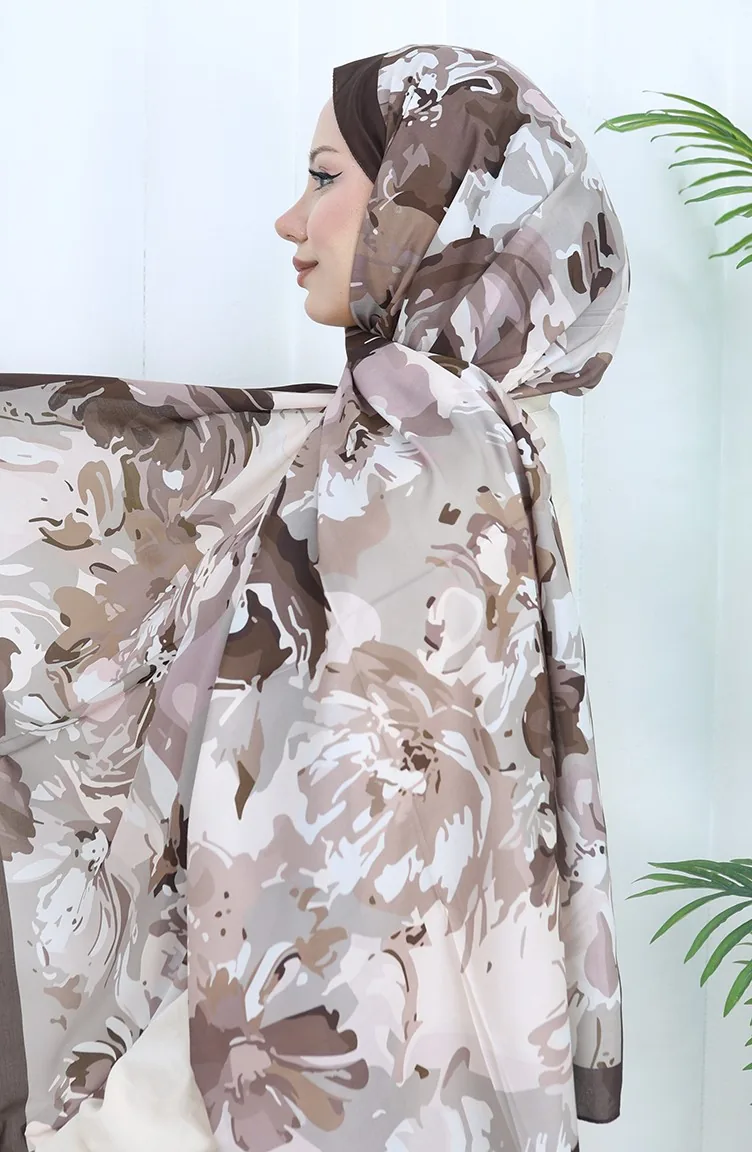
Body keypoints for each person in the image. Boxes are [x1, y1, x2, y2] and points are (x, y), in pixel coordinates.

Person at [4, 42, 629, 1152]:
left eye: (326, 177)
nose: (292, 221)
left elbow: (350, 839)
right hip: (405, 1033)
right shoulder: (492, 430)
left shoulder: (422, 434)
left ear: (428, 197)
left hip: (313, 1054)